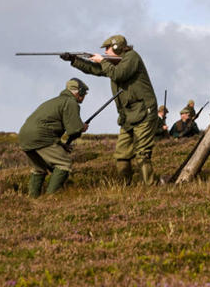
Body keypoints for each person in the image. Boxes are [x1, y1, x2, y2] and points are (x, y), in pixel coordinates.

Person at [62, 34, 159, 185]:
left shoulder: (132, 57)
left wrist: (102, 61)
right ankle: (125, 187)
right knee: (121, 155)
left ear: (117, 47)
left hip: (144, 113)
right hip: (128, 116)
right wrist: (74, 60)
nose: (105, 52)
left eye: (107, 48)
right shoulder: (114, 64)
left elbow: (118, 74)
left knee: (142, 153)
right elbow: (95, 69)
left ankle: (151, 186)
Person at [18, 78, 89, 197]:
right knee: (63, 164)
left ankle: (32, 201)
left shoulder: (54, 101)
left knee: (39, 169)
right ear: (79, 92)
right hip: (40, 136)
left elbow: (48, 127)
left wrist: (61, 145)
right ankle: (50, 199)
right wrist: (82, 127)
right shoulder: (70, 102)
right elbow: (74, 130)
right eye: (84, 94)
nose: (84, 97)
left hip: (24, 137)